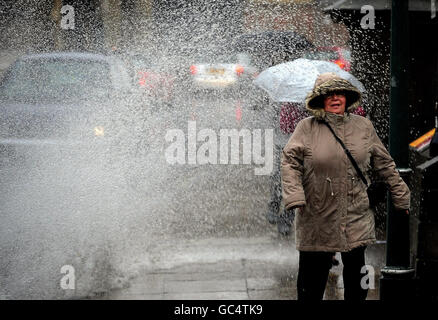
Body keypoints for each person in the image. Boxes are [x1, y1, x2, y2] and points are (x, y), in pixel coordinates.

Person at [280, 73, 410, 300]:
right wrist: (295, 196)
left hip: (356, 213)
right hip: (317, 214)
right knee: (311, 282)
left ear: (348, 98)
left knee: (358, 275)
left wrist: (401, 195)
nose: (335, 98)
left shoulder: (364, 127)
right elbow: (289, 162)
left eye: (340, 93)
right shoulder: (306, 128)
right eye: (329, 94)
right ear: (320, 99)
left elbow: (385, 165)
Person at [267, 100, 366, 235]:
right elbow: (285, 124)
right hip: (288, 142)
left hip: (312, 146)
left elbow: (357, 114)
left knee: (302, 182)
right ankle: (274, 204)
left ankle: (286, 219)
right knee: (283, 175)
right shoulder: (293, 101)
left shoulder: (328, 99)